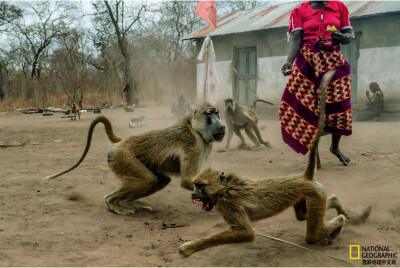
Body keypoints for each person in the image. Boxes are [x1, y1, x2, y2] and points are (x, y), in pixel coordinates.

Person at [280, 0, 353, 167]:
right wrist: (288, 61)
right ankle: (314, 151)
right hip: (307, 62)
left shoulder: (339, 7)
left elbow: (348, 35)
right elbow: (296, 38)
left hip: (333, 60)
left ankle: (335, 147)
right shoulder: (299, 11)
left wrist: (343, 37)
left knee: (340, 106)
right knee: (307, 107)